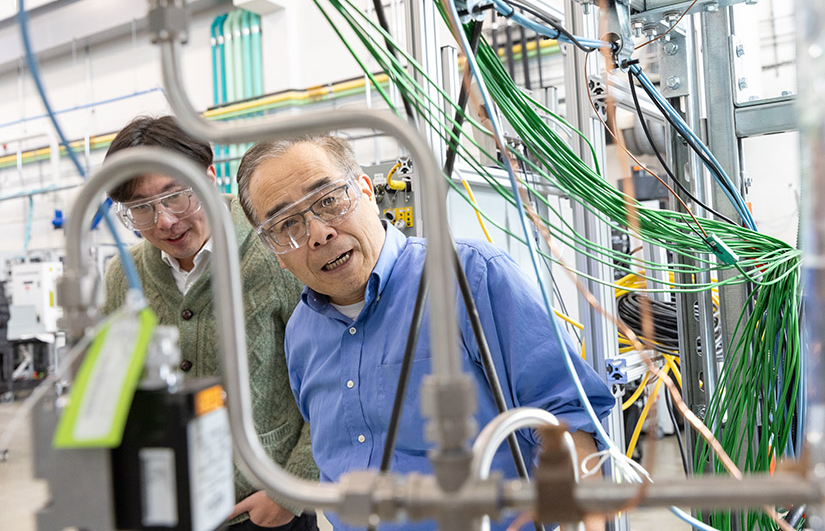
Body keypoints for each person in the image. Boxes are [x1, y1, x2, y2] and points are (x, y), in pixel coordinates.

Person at [235, 135, 616, 531]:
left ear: (366, 190)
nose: (318, 233)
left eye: (329, 200)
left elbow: (568, 422)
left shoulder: (469, 278)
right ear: (274, 250)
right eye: (287, 224)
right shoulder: (301, 334)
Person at [101, 116, 319, 531]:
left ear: (209, 176)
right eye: (141, 210)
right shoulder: (122, 275)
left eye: (176, 197)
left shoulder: (276, 250)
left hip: (266, 511)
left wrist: (290, 490)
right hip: (166, 507)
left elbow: (331, 377)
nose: (164, 221)